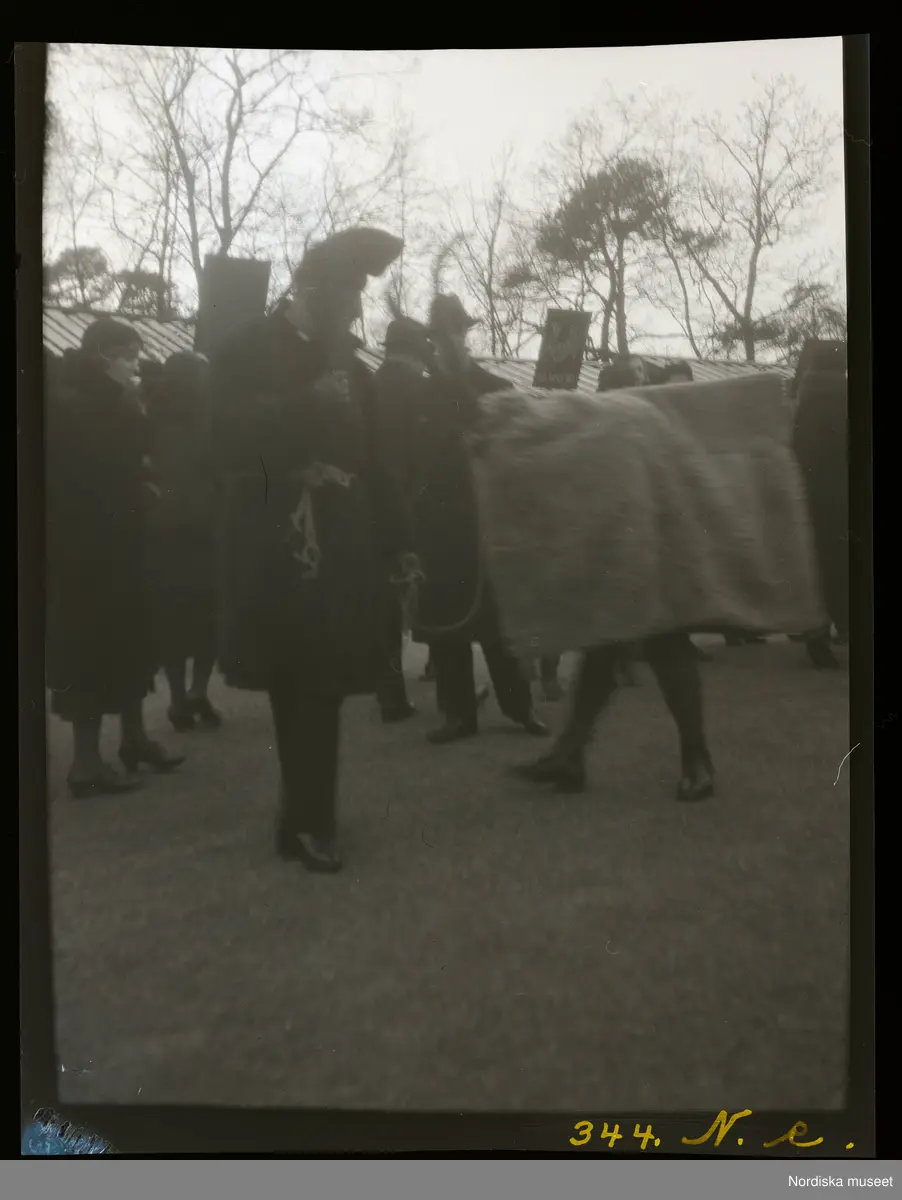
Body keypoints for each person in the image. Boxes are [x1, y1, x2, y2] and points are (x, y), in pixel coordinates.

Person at [208, 227, 414, 874]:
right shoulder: (243, 349)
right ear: (310, 291)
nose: (355, 310)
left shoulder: (349, 363)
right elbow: (221, 442)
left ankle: (304, 817)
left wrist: (399, 543)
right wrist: (304, 406)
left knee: (322, 681)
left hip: (343, 541)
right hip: (275, 543)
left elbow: (376, 459)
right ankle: (307, 821)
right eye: (347, 296)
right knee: (295, 679)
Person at [46, 318, 185, 796]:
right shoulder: (72, 403)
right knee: (90, 652)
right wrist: (136, 491)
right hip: (88, 549)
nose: (133, 362)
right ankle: (86, 763)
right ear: (101, 353)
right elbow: (88, 474)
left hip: (121, 544)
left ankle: (134, 739)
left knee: (132, 644)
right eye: (127, 353)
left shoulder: (112, 398)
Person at [411, 294, 548, 745]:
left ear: (464, 334)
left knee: (498, 621)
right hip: (441, 521)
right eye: (440, 334)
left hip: (487, 516)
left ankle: (519, 706)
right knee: (448, 621)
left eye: (456, 331)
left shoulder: (493, 386)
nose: (449, 341)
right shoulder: (423, 395)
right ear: (432, 340)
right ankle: (458, 713)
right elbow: (413, 456)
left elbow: (516, 443)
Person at [145, 351, 222, 731]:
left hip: (164, 529)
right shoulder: (209, 419)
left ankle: (177, 697)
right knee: (209, 612)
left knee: (172, 617)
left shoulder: (152, 417)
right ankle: (198, 690)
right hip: (205, 527)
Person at [791, 340, 848, 669]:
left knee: (819, 568)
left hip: (812, 497)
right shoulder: (842, 398)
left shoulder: (804, 399)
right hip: (842, 496)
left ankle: (818, 637)